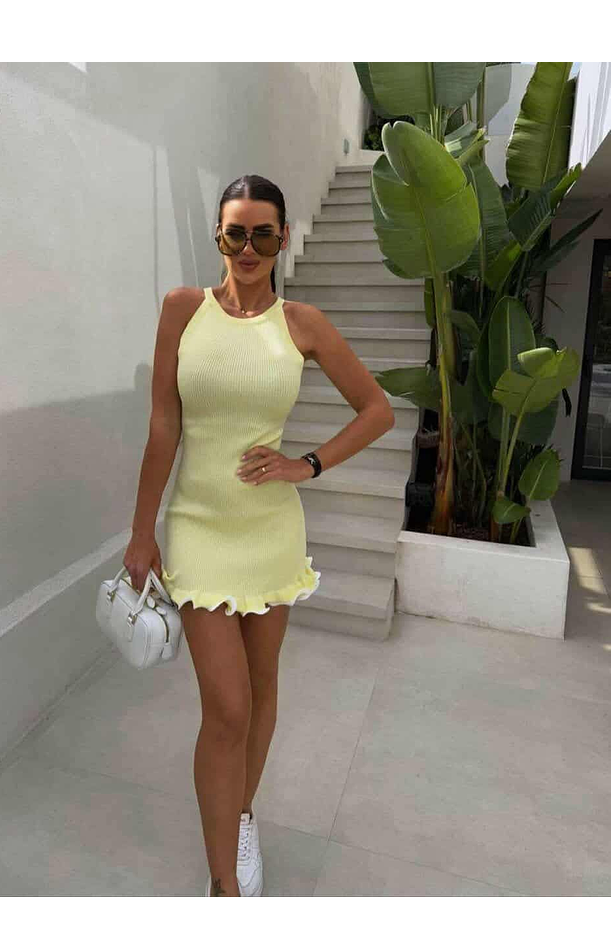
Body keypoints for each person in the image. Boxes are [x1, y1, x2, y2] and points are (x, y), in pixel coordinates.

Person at [124, 174, 395, 897]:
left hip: (270, 528)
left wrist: (306, 464)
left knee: (262, 683)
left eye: (263, 234)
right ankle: (224, 883)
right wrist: (142, 530)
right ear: (218, 235)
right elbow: (163, 426)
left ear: (281, 238)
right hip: (197, 525)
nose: (248, 248)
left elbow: (376, 410)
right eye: (235, 233)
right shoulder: (182, 310)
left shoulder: (301, 323)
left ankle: (241, 813)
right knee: (228, 707)